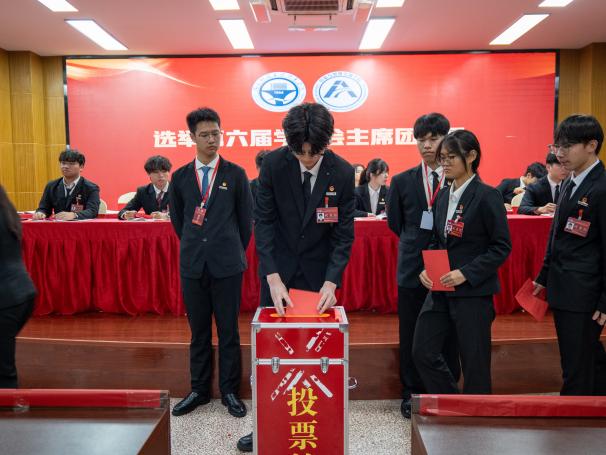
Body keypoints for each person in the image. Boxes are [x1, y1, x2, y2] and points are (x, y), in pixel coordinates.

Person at [237, 102, 355, 452]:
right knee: (271, 352)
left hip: (320, 277)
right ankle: (266, 424)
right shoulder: (274, 165)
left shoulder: (342, 172)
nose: (306, 158)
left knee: (316, 351)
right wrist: (272, 276)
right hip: (279, 274)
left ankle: (312, 419)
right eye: (299, 152)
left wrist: (332, 280)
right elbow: (264, 223)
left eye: (313, 152)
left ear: (326, 143)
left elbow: (343, 234)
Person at [169, 107, 253, 418]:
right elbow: (179, 222)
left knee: (229, 330)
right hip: (193, 265)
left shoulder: (235, 174)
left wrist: (227, 248)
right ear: (192, 137)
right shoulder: (180, 177)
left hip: (227, 265)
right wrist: (199, 247)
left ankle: (230, 391)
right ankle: (199, 390)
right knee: (199, 332)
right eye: (204, 135)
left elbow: (245, 222)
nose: (211, 140)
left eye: (215, 133)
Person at [414, 130, 511, 395]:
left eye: (451, 157)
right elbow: (436, 240)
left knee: (475, 364)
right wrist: (426, 268)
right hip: (440, 289)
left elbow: (501, 247)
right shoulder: (443, 195)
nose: (444, 163)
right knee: (422, 351)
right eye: (442, 158)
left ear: (471, 156)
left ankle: (476, 416)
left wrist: (466, 273)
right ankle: (453, 402)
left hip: (473, 294)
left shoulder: (487, 195)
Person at [386, 112, 460, 418]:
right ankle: (411, 393)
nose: (427, 145)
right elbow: (395, 223)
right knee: (410, 332)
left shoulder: (458, 178)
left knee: (448, 331)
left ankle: (446, 391)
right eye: (421, 139)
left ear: (446, 138)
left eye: (433, 138)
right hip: (412, 269)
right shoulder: (401, 181)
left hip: (449, 268)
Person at [533, 114, 606, 396]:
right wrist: (543, 275)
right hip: (563, 288)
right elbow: (557, 235)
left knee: (576, 365)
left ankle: (571, 414)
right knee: (585, 357)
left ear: (591, 145)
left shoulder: (601, 187)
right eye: (557, 146)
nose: (560, 153)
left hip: (585, 293)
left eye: (567, 146)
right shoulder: (568, 181)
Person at [0, 185, 36, 388]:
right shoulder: (5, 207)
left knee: (3, 375)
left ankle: (11, 403)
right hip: (20, 293)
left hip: (5, 299)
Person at [32, 149, 100, 220]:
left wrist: (75, 215)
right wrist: (41, 213)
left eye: (71, 164)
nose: (66, 166)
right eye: (63, 163)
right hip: (57, 225)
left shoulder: (91, 188)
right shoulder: (51, 186)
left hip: (80, 225)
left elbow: (93, 211)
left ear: (81, 167)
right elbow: (44, 208)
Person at [118, 155, 172, 220]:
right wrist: (126, 215)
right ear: (149, 174)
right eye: (156, 172)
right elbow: (123, 211)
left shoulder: (178, 190)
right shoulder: (143, 191)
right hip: (151, 226)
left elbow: (183, 212)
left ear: (169, 172)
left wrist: (167, 216)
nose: (161, 175)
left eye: (164, 171)